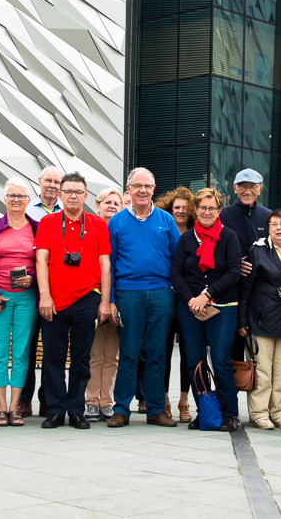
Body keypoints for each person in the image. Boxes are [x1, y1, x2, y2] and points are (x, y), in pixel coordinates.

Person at [36, 172, 113, 429]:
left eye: (78, 192)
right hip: (54, 301)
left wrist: (104, 302)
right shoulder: (48, 222)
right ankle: (56, 410)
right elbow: (41, 261)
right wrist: (44, 296)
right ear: (60, 194)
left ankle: (77, 411)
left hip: (86, 298)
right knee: (53, 358)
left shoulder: (97, 224)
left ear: (85, 196)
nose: (73, 196)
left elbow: (105, 264)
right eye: (68, 191)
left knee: (81, 360)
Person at [107, 168, 181, 428]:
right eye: (137, 186)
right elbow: (109, 263)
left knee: (157, 353)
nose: (142, 190)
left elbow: (178, 259)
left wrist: (173, 290)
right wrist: (111, 300)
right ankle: (121, 409)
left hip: (161, 294)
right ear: (128, 189)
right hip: (128, 294)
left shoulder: (166, 220)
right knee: (129, 353)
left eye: (147, 186)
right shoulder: (116, 222)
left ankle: (156, 409)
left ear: (153, 189)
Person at [172, 188, 243, 431]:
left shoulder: (229, 237)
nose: (206, 212)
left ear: (219, 210)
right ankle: (205, 411)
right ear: (195, 209)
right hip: (191, 308)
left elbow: (234, 271)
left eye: (211, 208)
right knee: (195, 361)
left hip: (222, 307)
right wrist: (191, 300)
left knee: (221, 360)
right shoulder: (186, 239)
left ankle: (230, 413)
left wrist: (207, 295)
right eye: (202, 207)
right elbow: (176, 273)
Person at [0, 178, 40, 427]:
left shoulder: (36, 228)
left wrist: (32, 278)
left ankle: (15, 407)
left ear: (28, 201)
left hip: (26, 298)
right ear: (5, 199)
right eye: (12, 195)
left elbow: (45, 262)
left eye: (21, 196)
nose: (16, 200)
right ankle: (1, 406)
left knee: (22, 352)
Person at [238, 209, 281, 430]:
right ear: (268, 228)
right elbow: (246, 288)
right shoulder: (257, 250)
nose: (279, 228)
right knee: (262, 372)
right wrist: (242, 321)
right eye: (274, 224)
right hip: (260, 319)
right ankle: (259, 413)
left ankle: (279, 413)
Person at [22, 166, 63, 417]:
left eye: (57, 182)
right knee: (27, 347)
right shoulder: (26, 211)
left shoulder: (67, 212)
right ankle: (23, 398)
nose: (52, 185)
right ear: (39, 181)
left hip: (55, 290)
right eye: (48, 180)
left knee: (52, 349)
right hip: (30, 290)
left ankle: (48, 398)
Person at [153, 186, 196, 422]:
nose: (180, 211)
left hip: (189, 297)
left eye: (185, 208)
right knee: (164, 349)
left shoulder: (196, 232)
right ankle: (164, 400)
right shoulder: (163, 229)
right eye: (176, 207)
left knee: (189, 351)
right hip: (167, 296)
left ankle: (184, 400)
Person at [220, 169, 271, 362]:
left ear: (260, 189)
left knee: (259, 356)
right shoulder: (223, 215)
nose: (247, 191)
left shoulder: (268, 216)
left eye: (252, 187)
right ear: (235, 188)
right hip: (230, 292)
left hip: (259, 294)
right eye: (242, 186)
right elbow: (213, 251)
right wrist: (233, 266)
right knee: (229, 354)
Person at [84, 187, 123, 421]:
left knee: (112, 356)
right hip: (95, 299)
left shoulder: (122, 230)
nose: (112, 206)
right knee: (94, 353)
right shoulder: (90, 229)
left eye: (116, 203)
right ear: (97, 205)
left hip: (118, 301)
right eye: (107, 202)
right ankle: (91, 401)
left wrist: (114, 301)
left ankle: (106, 401)